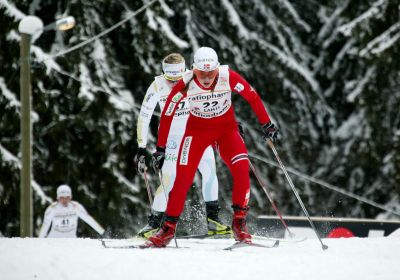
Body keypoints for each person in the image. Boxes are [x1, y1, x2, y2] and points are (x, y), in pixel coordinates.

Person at [146, 47, 279, 247]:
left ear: (217, 68)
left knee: (242, 168)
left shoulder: (228, 76)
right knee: (182, 177)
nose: (207, 77)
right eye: (202, 72)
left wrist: (266, 123)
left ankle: (239, 224)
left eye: (211, 72)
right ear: (193, 69)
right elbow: (167, 115)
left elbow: (252, 96)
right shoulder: (186, 82)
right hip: (197, 132)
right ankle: (168, 229)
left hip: (226, 131)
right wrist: (161, 148)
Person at [134, 53, 231, 239]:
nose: (174, 84)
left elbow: (214, 104)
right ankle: (153, 224)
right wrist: (141, 147)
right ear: (163, 74)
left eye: (178, 79)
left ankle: (214, 221)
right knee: (168, 179)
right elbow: (144, 117)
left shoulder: (195, 78)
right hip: (170, 139)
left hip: (196, 134)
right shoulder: (157, 85)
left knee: (209, 169)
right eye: (170, 79)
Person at [38, 185, 105, 238]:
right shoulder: (52, 209)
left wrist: (102, 232)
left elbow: (88, 219)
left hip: (71, 240)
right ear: (58, 198)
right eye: (62, 197)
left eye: (67, 197)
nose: (64, 200)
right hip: (54, 239)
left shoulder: (76, 207)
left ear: (70, 197)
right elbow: (45, 225)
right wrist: (40, 240)